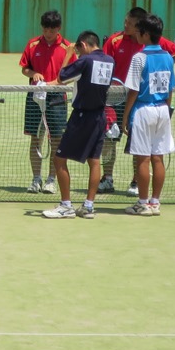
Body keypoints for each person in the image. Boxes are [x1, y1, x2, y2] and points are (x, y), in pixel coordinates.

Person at [100, 6, 175, 195]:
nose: (126, 25)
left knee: (139, 145)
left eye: (130, 24)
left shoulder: (151, 45)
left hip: (138, 101)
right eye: (125, 21)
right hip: (114, 96)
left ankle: (136, 182)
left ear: (141, 28)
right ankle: (107, 178)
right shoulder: (115, 40)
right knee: (109, 138)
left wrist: (158, 68)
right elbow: (105, 65)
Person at [41, 31, 115, 220]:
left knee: (59, 159)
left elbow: (62, 76)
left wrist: (68, 54)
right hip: (100, 117)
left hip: (82, 117)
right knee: (94, 161)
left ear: (83, 44)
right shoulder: (109, 61)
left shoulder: (85, 60)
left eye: (78, 50)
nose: (78, 54)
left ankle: (66, 206)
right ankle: (88, 206)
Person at [121, 14, 175, 216]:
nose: (136, 34)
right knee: (157, 158)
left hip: (143, 111)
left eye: (138, 31)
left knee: (142, 159)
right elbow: (170, 89)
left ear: (145, 34)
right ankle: (155, 203)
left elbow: (133, 91)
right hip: (162, 110)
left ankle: (143, 204)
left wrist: (125, 116)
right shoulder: (168, 57)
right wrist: (167, 111)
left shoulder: (139, 58)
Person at [19, 10, 74, 194]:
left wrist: (55, 84)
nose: (48, 33)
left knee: (56, 139)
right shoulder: (33, 44)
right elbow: (25, 69)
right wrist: (34, 74)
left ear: (58, 28)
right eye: (45, 29)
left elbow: (71, 74)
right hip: (35, 96)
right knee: (36, 138)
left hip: (57, 98)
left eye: (52, 30)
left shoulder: (67, 48)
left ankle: (51, 179)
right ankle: (36, 179)